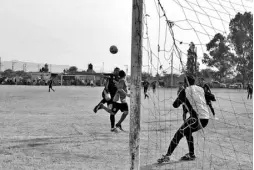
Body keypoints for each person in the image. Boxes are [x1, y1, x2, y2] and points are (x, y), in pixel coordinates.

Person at [157, 75, 209, 163]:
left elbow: (175, 105)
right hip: (205, 118)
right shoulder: (200, 89)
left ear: (185, 83)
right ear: (194, 82)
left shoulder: (184, 91)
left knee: (178, 134)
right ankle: (191, 154)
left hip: (196, 119)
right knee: (188, 132)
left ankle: (167, 156)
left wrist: (181, 98)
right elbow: (210, 97)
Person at [93, 67, 120, 132]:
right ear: (114, 71)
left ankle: (98, 107)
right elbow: (104, 76)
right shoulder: (111, 76)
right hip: (109, 94)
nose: (116, 72)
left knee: (111, 111)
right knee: (111, 110)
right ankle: (112, 127)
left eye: (117, 71)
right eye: (115, 71)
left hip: (113, 97)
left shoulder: (118, 78)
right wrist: (103, 76)